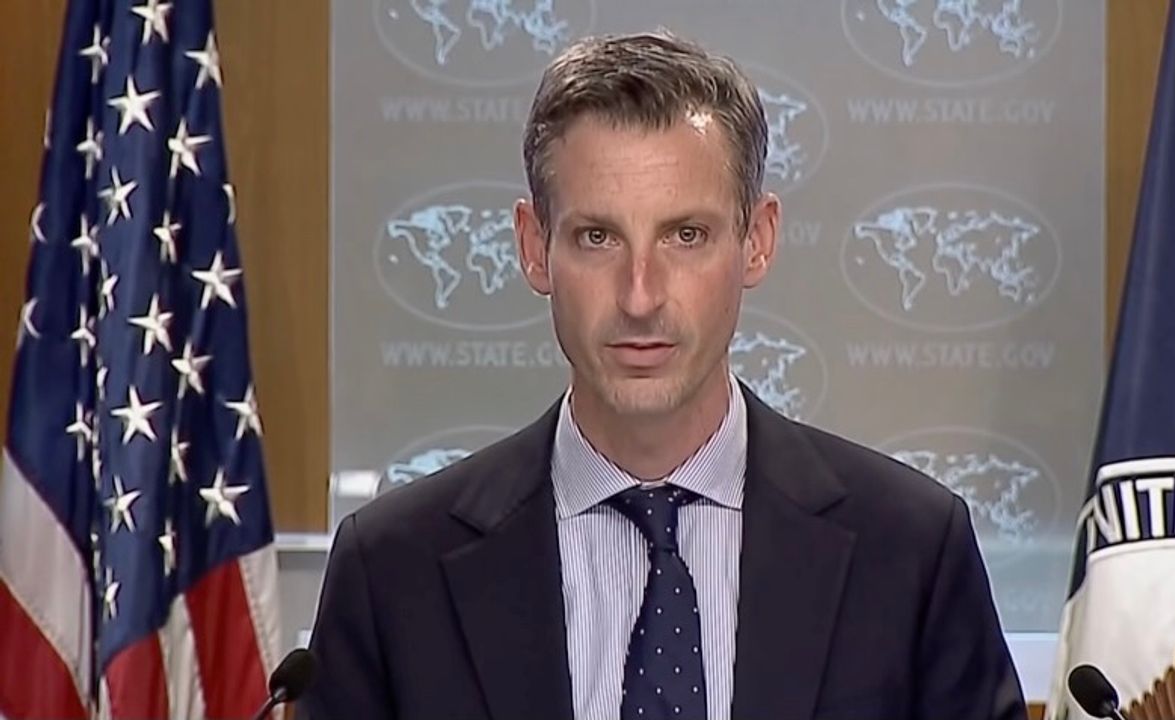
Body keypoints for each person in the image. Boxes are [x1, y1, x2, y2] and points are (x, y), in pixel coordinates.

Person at [299, 29, 1028, 720]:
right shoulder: (393, 571)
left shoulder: (910, 552)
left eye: (686, 235)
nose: (640, 295)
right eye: (597, 237)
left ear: (757, 241)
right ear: (533, 247)